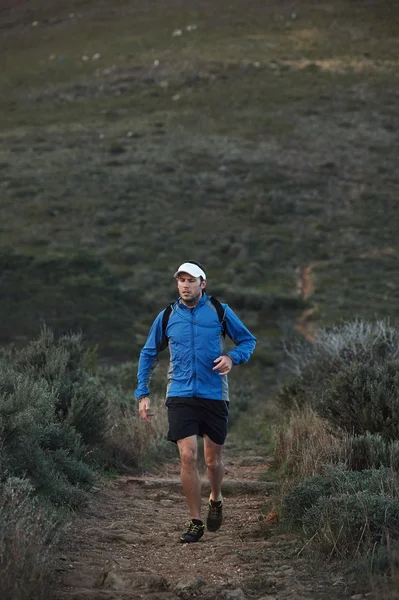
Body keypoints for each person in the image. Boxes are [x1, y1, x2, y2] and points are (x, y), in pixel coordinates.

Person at [135, 261, 256, 543]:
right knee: (188, 455)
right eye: (181, 280)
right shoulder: (167, 316)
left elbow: (248, 341)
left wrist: (231, 357)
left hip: (214, 394)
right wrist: (142, 394)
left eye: (191, 280)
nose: (185, 285)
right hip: (180, 393)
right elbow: (148, 353)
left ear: (203, 284)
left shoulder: (220, 311)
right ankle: (195, 521)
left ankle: (215, 497)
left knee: (213, 462)